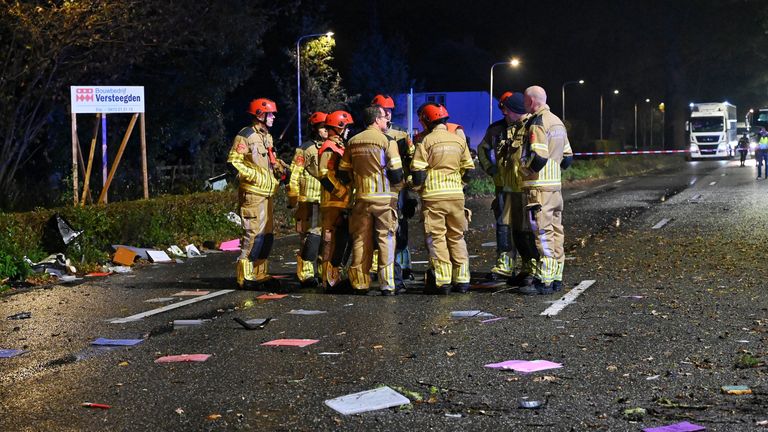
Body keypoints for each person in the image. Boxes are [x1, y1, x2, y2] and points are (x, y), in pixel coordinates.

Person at [338, 105, 404, 295]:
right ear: (376, 120)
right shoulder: (387, 141)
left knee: (360, 240)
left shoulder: (352, 142)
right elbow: (396, 173)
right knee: (386, 239)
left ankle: (360, 283)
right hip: (384, 199)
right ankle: (387, 284)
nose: (386, 120)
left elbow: (343, 173)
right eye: (384, 117)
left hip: (361, 198)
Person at [411, 102, 475, 294]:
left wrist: (416, 187)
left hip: (434, 197)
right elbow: (469, 170)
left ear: (426, 120)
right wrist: (458, 184)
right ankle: (462, 279)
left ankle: (443, 280)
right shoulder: (458, 140)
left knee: (436, 237)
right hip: (456, 196)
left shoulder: (426, 142)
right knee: (456, 236)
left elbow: (418, 173)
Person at [228, 98, 289, 290]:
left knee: (267, 236)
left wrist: (280, 168)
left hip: (267, 194)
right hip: (253, 194)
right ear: (260, 115)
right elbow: (234, 163)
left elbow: (269, 160)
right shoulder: (245, 136)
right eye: (271, 114)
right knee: (253, 234)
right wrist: (254, 176)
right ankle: (245, 275)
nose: (274, 117)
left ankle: (259, 273)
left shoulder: (267, 137)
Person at [517, 86, 573, 295]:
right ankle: (556, 277)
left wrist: (526, 170)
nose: (524, 104)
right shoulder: (557, 122)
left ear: (531, 101)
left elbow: (539, 157)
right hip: (555, 188)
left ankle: (544, 281)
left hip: (538, 188)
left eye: (525, 100)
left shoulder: (537, 122)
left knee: (542, 233)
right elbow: (567, 158)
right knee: (556, 231)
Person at [370, 95, 417, 292]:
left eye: (389, 110)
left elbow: (412, 158)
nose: (388, 113)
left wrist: (410, 188)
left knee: (400, 226)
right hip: (379, 187)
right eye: (384, 110)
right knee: (379, 228)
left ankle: (403, 265)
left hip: (398, 186)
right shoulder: (370, 133)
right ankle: (377, 266)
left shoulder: (401, 133)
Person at [477, 91, 524, 280]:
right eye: (502, 108)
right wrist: (491, 169)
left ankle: (528, 266)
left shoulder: (527, 127)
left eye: (506, 108)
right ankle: (505, 265)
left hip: (524, 187)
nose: (504, 112)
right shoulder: (495, 129)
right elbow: (482, 149)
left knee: (526, 228)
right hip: (503, 187)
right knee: (504, 226)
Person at [287, 112, 327, 288]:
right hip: (310, 199)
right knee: (310, 236)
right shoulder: (306, 149)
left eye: (328, 127)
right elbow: (294, 174)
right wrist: (293, 198)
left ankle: (322, 270)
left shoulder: (331, 146)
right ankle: (306, 273)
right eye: (323, 127)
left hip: (327, 199)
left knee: (326, 237)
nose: (326, 130)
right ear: (315, 129)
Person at [318, 110, 354, 291]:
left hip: (341, 202)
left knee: (341, 241)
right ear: (339, 127)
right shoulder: (329, 147)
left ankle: (335, 276)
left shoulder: (339, 146)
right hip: (333, 201)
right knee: (331, 241)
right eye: (346, 127)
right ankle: (328, 280)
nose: (348, 131)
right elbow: (324, 175)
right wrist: (342, 192)